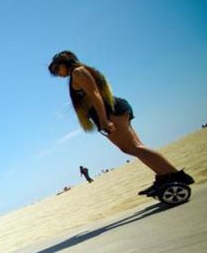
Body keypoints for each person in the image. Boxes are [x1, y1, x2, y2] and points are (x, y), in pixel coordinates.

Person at [48, 51, 193, 196]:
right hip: (107, 112)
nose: (57, 74)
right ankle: (164, 176)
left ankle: (176, 175)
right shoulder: (77, 74)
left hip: (110, 112)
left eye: (56, 69)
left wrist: (104, 119)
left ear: (64, 63)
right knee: (132, 148)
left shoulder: (78, 72)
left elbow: (95, 94)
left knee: (134, 147)